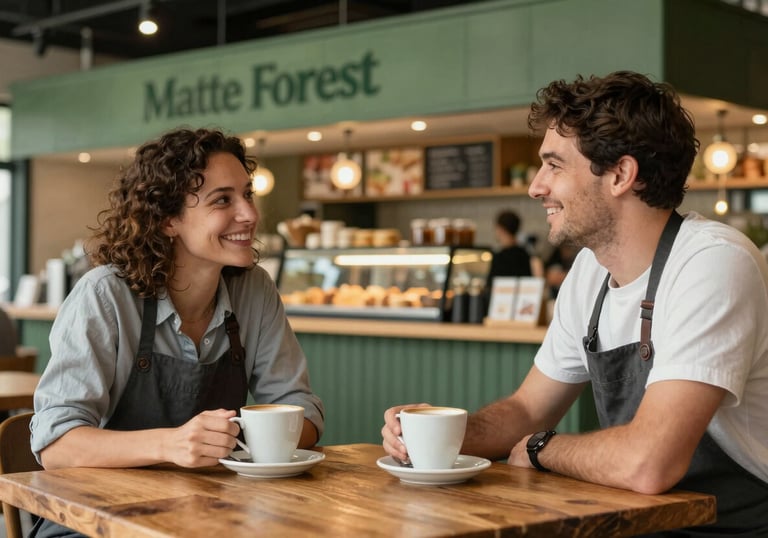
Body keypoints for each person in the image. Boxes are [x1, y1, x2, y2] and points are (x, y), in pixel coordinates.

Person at [383, 71, 768, 535]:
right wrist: (438, 434)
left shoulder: (712, 262)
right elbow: (527, 409)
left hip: (737, 525)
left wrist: (543, 449)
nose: (536, 186)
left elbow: (649, 463)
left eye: (555, 165)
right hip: (640, 521)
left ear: (621, 175)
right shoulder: (590, 270)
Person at [30, 127, 324, 536]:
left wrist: (252, 439)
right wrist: (171, 445)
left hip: (211, 515)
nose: (250, 214)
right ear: (168, 219)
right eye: (223, 200)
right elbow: (56, 444)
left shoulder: (254, 289)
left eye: (247, 194)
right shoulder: (106, 294)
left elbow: (301, 409)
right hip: (92, 521)